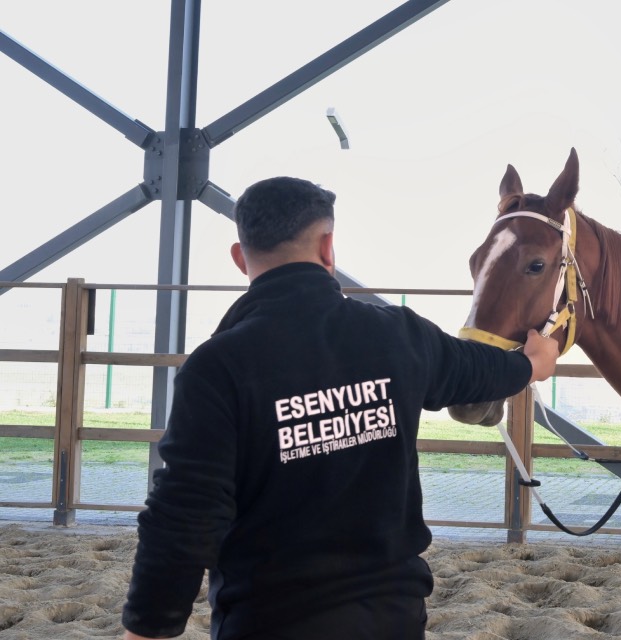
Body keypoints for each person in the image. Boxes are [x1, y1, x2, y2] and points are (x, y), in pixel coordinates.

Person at [121, 176, 559, 640]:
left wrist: (146, 631)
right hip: (392, 618)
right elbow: (477, 370)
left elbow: (184, 516)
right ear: (328, 247)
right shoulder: (402, 336)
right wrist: (531, 366)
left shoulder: (216, 367)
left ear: (239, 257)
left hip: (266, 622)